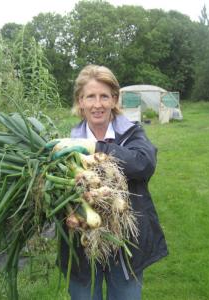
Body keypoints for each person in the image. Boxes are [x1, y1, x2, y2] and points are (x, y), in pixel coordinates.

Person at [54, 65, 168, 300]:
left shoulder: (132, 133)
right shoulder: (65, 146)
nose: (98, 104)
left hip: (125, 241)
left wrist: (95, 148)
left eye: (104, 96)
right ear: (80, 101)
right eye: (90, 97)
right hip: (82, 243)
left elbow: (144, 164)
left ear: (114, 99)